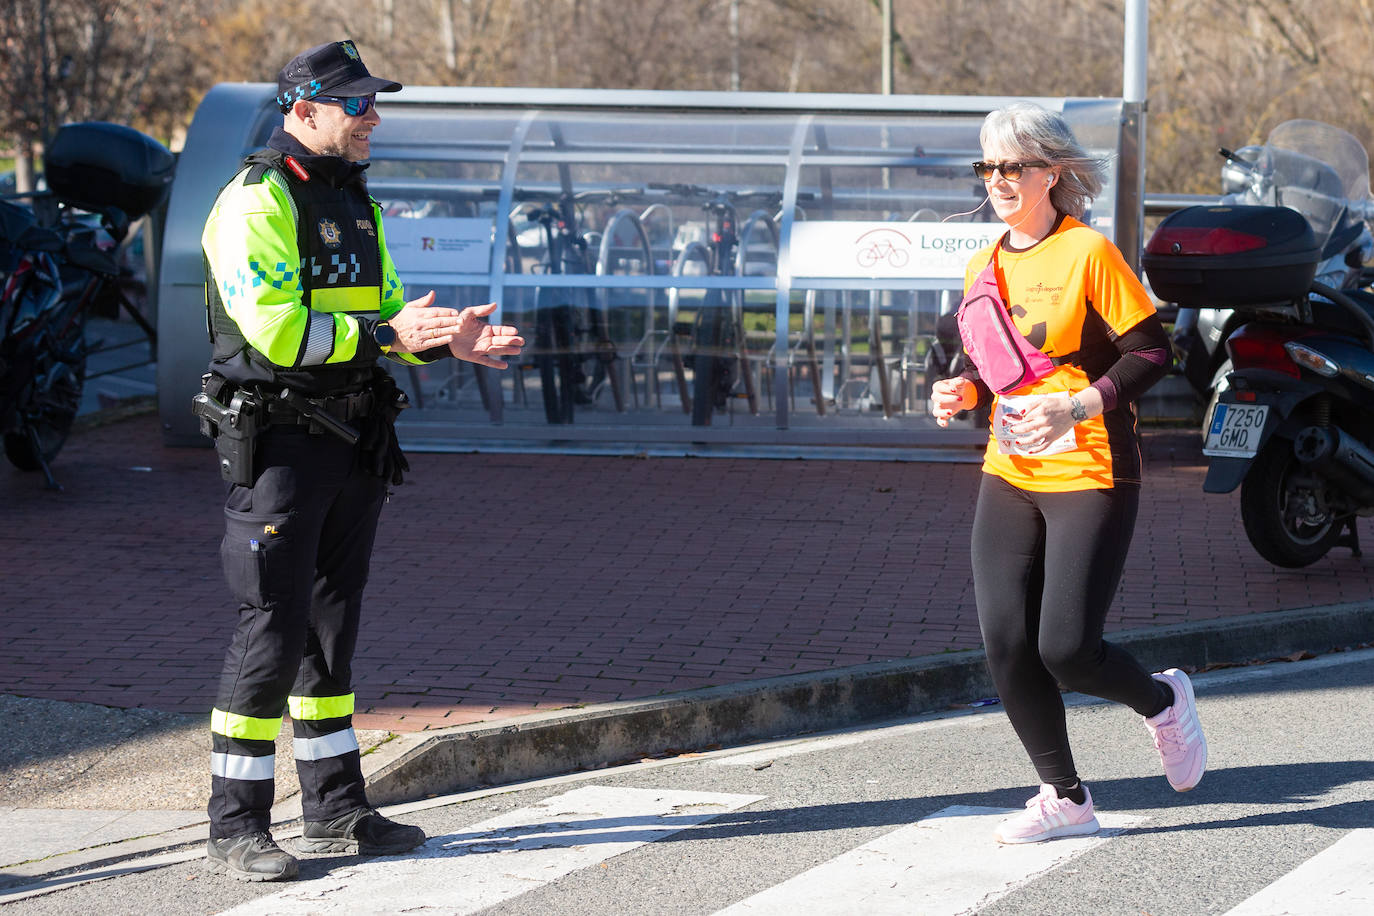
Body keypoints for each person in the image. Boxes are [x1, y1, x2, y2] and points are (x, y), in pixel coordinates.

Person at [198, 39, 524, 881]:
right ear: (303, 111)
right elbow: (278, 331)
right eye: (358, 104)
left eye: (373, 102)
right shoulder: (256, 201)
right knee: (271, 629)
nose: (374, 115)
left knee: (330, 634)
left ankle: (337, 809)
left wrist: (451, 343)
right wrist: (385, 335)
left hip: (350, 443)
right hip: (278, 446)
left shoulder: (352, 202)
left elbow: (381, 319)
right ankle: (235, 824)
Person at [930, 102, 1207, 845]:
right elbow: (994, 366)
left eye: (1013, 166)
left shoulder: (1089, 253)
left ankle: (1163, 701)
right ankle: (1065, 796)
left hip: (1091, 469)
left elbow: (1153, 352)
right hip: (1010, 470)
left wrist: (1079, 405)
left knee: (1067, 649)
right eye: (988, 166)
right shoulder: (984, 262)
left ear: (1052, 171)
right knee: (1005, 642)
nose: (999, 180)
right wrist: (964, 391)